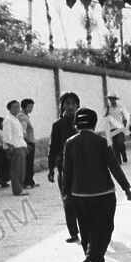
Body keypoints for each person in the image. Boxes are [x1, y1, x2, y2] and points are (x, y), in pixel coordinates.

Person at [62, 107, 131, 262]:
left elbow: (67, 171)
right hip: (104, 193)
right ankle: (91, 260)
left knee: (86, 230)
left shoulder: (70, 142)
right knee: (104, 228)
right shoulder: (101, 141)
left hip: (79, 194)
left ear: (76, 124)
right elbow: (113, 166)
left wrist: (66, 193)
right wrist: (126, 188)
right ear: (94, 123)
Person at [48, 92, 81, 244]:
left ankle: (88, 228)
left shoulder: (82, 122)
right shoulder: (58, 125)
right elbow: (53, 146)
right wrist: (50, 168)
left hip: (82, 166)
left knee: (83, 199)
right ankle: (73, 232)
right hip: (64, 166)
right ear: (62, 106)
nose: (70, 106)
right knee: (67, 198)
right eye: (67, 103)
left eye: (73, 103)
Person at [2, 100, 28, 196]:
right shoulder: (8, 119)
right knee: (16, 169)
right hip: (14, 146)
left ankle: (20, 187)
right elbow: (7, 134)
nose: (17, 109)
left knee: (21, 169)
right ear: (9, 108)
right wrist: (10, 146)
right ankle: (17, 189)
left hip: (20, 145)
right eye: (14, 107)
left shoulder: (16, 119)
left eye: (18, 107)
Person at [103, 94, 129, 163]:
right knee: (114, 144)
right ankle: (118, 159)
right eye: (110, 99)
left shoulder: (120, 107)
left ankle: (124, 155)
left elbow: (124, 119)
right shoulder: (107, 108)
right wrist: (108, 109)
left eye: (113, 99)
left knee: (120, 143)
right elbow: (105, 118)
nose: (112, 100)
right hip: (112, 128)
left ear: (115, 99)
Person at [18, 98, 38, 188]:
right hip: (28, 142)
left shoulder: (25, 116)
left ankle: (30, 181)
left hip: (29, 141)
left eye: (32, 106)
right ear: (24, 107)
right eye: (29, 107)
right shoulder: (22, 117)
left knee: (29, 163)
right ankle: (27, 182)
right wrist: (26, 143)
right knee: (28, 163)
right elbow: (23, 131)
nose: (31, 109)